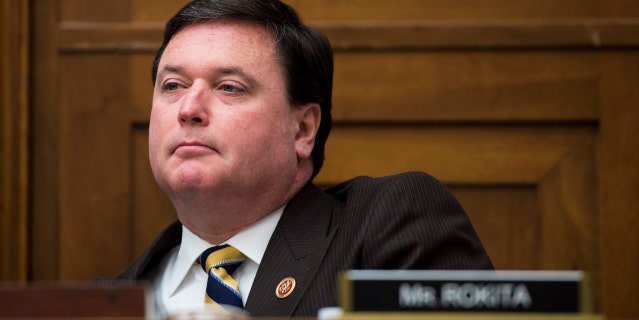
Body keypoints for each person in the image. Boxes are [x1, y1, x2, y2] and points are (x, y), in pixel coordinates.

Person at [113, 0, 494, 318]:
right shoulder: (110, 299)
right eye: (172, 86)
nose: (189, 108)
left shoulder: (388, 226)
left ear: (303, 129)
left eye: (229, 87)